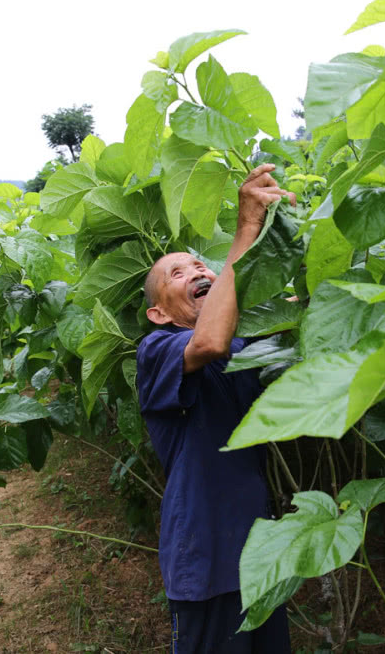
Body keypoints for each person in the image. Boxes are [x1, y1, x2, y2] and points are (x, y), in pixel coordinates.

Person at [136, 164, 295, 653]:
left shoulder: (243, 348)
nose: (199, 272)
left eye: (200, 265)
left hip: (260, 554)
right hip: (206, 560)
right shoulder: (158, 348)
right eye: (177, 274)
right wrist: (246, 228)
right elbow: (207, 341)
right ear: (159, 312)